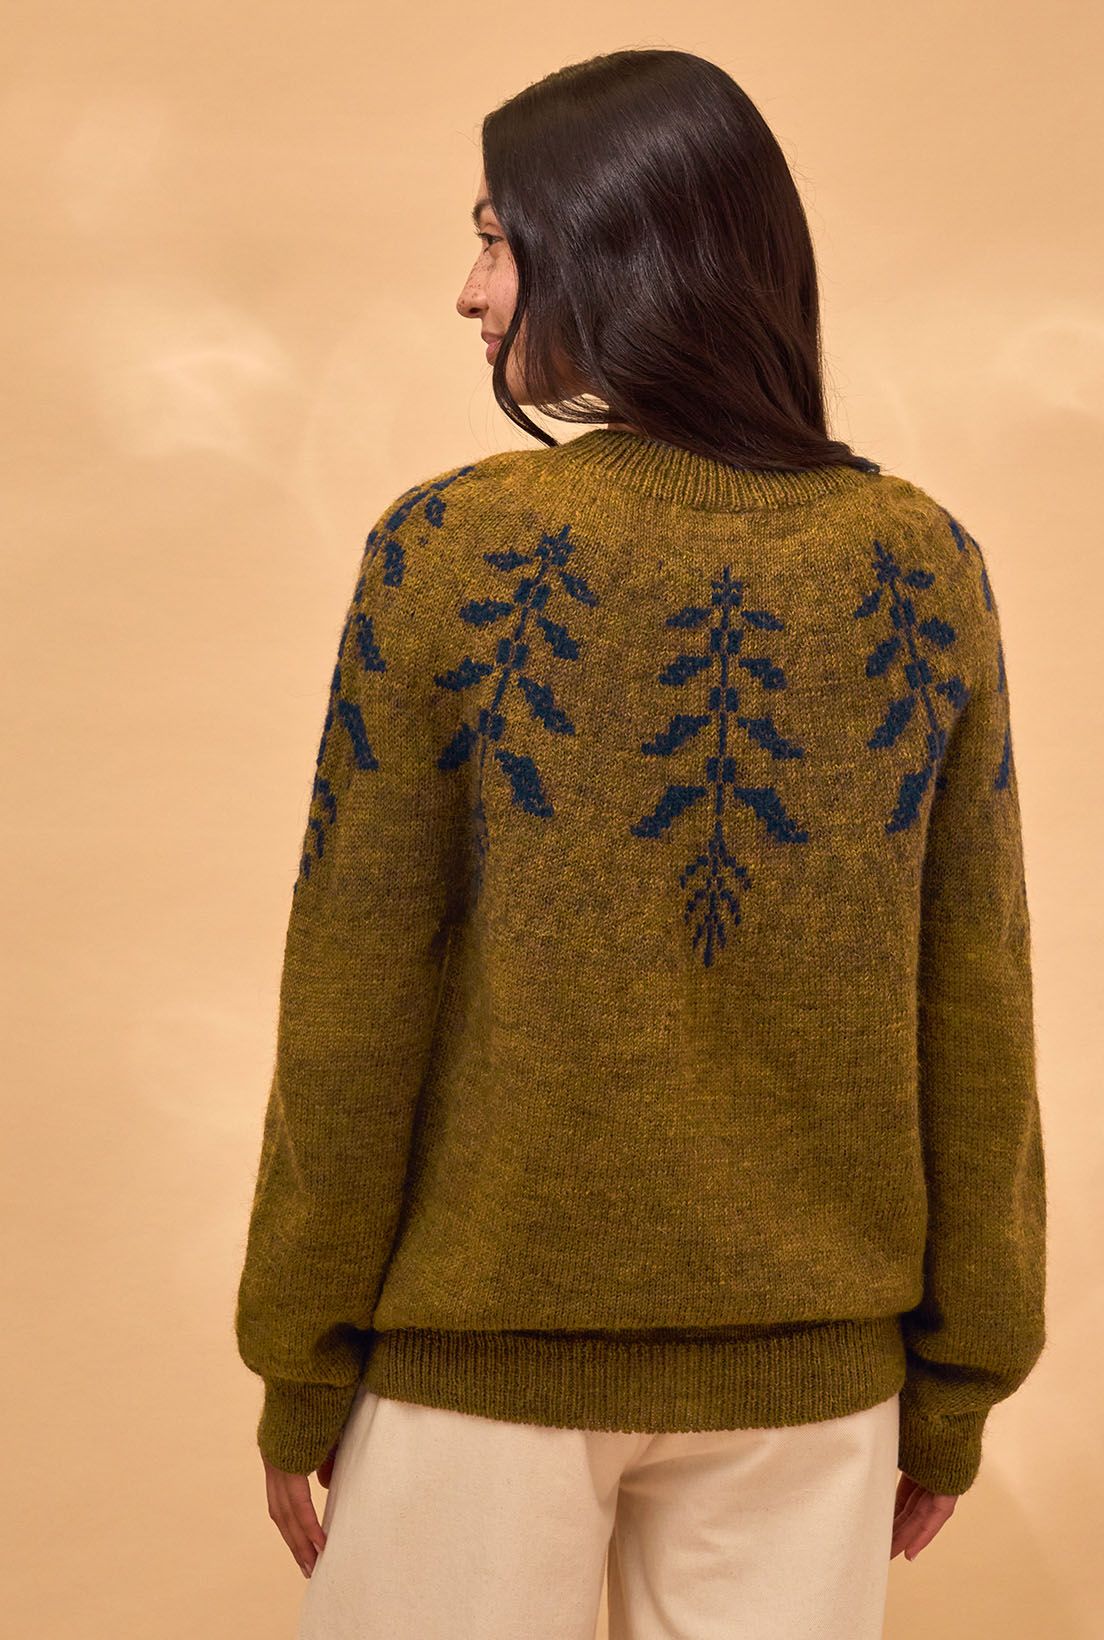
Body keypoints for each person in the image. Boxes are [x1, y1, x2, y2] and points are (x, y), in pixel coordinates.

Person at [234, 46, 1047, 1640]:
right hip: (813, 1396)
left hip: (479, 1367)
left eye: (497, 239)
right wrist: (959, 1374)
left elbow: (353, 994)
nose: (471, 291)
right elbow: (977, 992)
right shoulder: (917, 562)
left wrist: (298, 1358)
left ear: (614, 248)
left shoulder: (447, 549)